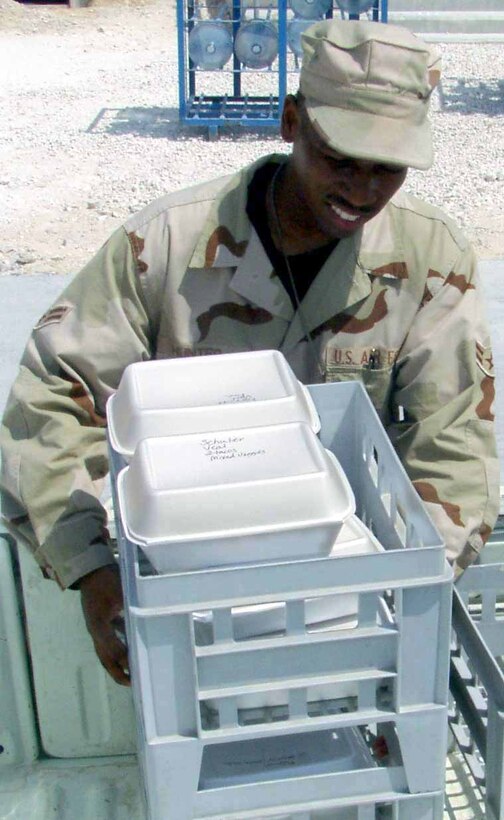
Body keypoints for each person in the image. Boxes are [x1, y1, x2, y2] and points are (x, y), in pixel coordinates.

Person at [0, 20, 499, 686]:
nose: (362, 189)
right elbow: (54, 393)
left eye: (387, 169)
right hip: (187, 575)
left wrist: (400, 604)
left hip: (341, 580)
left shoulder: (432, 260)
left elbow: (458, 438)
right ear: (291, 122)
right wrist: (92, 571)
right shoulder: (165, 248)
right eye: (340, 159)